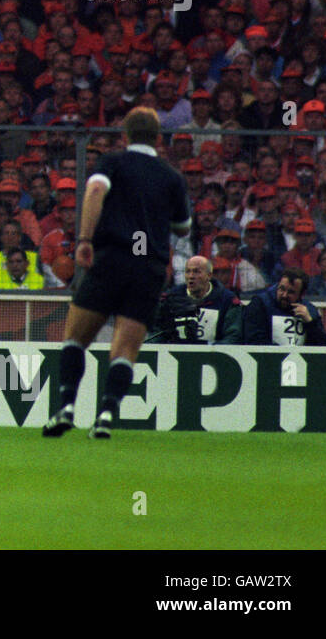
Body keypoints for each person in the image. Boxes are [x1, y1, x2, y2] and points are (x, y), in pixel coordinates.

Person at [44, 107, 191, 439]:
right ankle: (107, 414)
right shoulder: (171, 177)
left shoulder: (112, 162)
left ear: (125, 134)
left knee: (75, 338)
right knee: (124, 350)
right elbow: (183, 227)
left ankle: (66, 407)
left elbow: (95, 191)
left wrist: (84, 239)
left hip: (111, 258)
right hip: (149, 268)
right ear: (157, 138)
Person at [150, 255, 241, 344]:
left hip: (214, 356)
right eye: (188, 271)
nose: (191, 276)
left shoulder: (227, 300)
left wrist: (211, 351)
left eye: (197, 272)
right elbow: (157, 334)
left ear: (209, 276)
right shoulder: (171, 298)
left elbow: (233, 336)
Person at [238, 268, 326, 346]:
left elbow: (324, 348)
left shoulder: (310, 311)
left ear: (301, 294)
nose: (284, 295)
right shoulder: (260, 304)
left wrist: (310, 323)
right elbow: (254, 340)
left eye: (291, 292)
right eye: (282, 289)